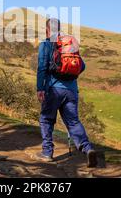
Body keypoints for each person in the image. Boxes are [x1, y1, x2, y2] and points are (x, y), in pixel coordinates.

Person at [35, 18, 98, 168]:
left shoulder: (46, 44)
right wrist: (69, 75)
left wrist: (40, 88)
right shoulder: (70, 45)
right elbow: (82, 66)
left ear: (47, 30)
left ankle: (47, 152)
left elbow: (42, 68)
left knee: (46, 119)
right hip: (71, 91)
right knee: (73, 122)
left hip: (53, 89)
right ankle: (88, 149)